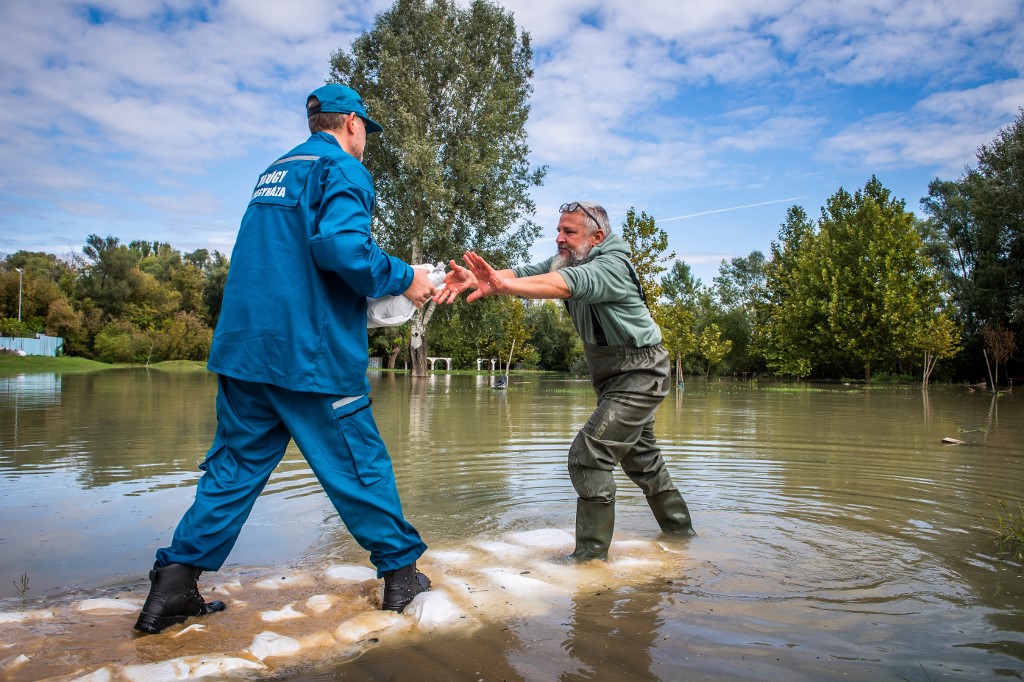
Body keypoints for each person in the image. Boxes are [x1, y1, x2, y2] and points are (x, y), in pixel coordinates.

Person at [134, 84, 433, 635]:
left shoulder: (272, 172)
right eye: (366, 130)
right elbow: (344, 250)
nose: (366, 141)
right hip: (308, 356)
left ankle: (174, 585)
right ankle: (402, 575)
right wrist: (407, 277)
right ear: (352, 125)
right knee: (357, 465)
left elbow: (291, 261)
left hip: (245, 351)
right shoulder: (342, 168)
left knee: (233, 470)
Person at [436, 201, 694, 562]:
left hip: (641, 372)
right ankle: (682, 536)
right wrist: (483, 279)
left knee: (588, 456)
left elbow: (565, 284)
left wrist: (503, 286)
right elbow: (527, 272)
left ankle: (590, 560)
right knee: (642, 460)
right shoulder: (569, 259)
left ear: (597, 237)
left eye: (569, 232)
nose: (559, 238)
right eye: (558, 230)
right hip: (613, 376)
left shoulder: (610, 266)